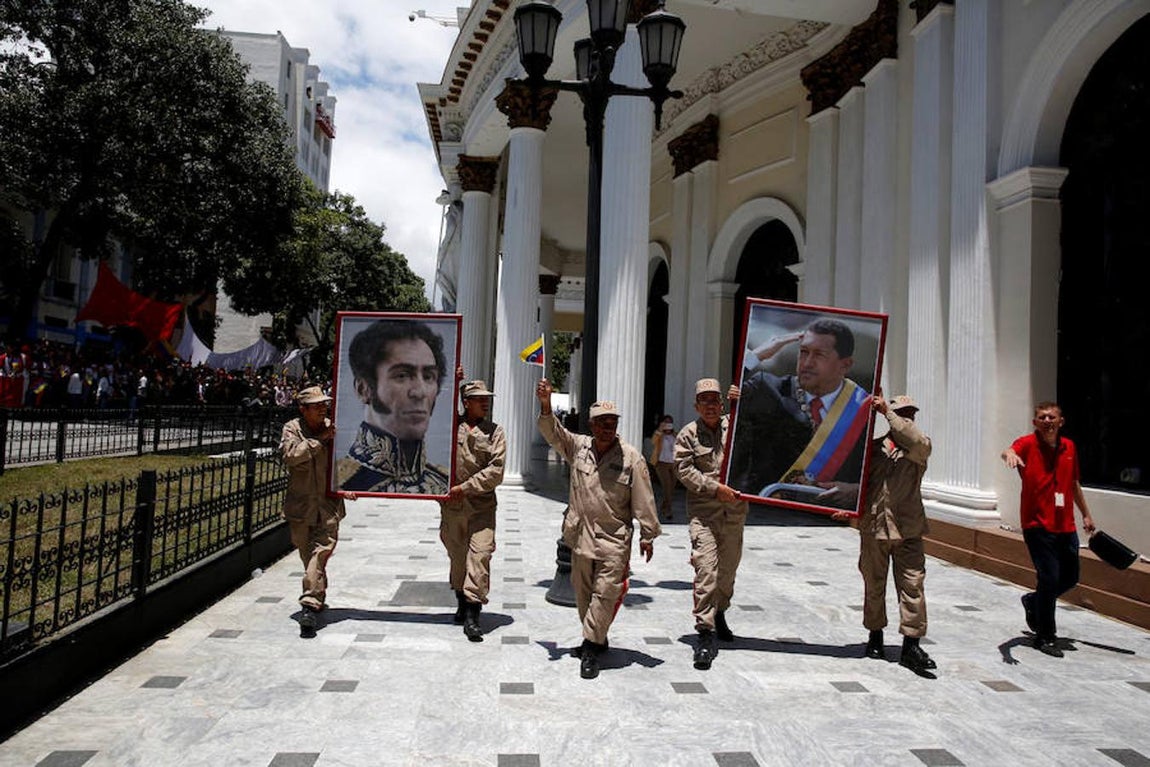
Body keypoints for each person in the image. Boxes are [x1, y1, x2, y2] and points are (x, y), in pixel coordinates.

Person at [535, 378, 661, 679]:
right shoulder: (578, 447)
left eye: (612, 422)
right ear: (591, 425)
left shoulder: (631, 458)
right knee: (583, 594)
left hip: (613, 540)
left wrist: (647, 534)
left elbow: (644, 499)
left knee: (605, 594)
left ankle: (590, 649)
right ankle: (597, 637)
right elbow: (553, 432)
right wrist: (545, 403)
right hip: (580, 537)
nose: (608, 427)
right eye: (602, 422)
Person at [835, 393, 936, 674]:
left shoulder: (920, 446)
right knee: (874, 584)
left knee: (912, 586)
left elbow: (914, 440)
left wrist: (887, 413)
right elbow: (861, 487)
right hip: (875, 527)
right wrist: (849, 510)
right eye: (901, 412)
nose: (907, 417)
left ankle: (911, 645)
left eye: (910, 414)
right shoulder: (874, 449)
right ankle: (875, 636)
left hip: (908, 529)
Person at [727, 319, 870, 506]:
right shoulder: (768, 389)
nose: (807, 363)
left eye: (819, 355)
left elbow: (878, 468)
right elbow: (727, 396)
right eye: (803, 352)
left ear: (845, 365)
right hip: (766, 513)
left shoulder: (862, 407)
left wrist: (857, 489)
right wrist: (756, 356)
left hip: (827, 520)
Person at [1001, 401, 1096, 657]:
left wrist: (1086, 514)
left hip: (1065, 524)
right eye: (1042, 417)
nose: (1047, 421)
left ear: (1060, 421)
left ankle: (1033, 601)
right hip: (1036, 524)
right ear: (1035, 423)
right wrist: (1009, 455)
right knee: (1049, 578)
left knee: (1071, 577)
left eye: (1051, 417)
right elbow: (1010, 450)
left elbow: (1073, 483)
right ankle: (1045, 636)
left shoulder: (1069, 447)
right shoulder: (1028, 444)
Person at [675, 378, 748, 670]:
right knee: (706, 570)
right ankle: (705, 633)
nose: (710, 405)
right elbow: (683, 470)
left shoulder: (736, 425)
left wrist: (743, 403)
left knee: (727, 573)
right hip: (704, 514)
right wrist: (714, 488)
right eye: (704, 401)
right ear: (696, 405)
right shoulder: (687, 435)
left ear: (721, 402)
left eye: (715, 400)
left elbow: (757, 430)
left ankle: (720, 613)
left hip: (734, 513)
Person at [336, 319, 450, 494]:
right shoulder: (341, 482)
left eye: (428, 376)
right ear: (363, 389)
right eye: (402, 375)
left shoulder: (443, 482)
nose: (420, 392)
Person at [439, 379, 506, 642]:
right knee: (458, 558)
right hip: (453, 508)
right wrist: (454, 381)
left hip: (482, 508)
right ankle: (461, 599)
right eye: (479, 398)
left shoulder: (495, 432)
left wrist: (465, 487)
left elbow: (496, 471)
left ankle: (472, 614)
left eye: (486, 398)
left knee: (480, 557)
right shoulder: (450, 427)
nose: (485, 402)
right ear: (466, 403)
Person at [280, 386, 349, 636]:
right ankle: (317, 591)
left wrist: (350, 485)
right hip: (301, 506)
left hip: (328, 506)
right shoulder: (292, 429)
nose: (323, 408)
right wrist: (320, 441)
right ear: (303, 409)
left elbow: (346, 460)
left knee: (321, 552)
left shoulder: (333, 427)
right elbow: (290, 455)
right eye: (317, 405)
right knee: (307, 554)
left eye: (324, 404)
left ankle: (308, 605)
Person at [649, 414, 677, 520]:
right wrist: (660, 430)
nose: (668, 425)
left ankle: (663, 507)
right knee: (667, 487)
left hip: (673, 464)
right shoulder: (659, 435)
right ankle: (667, 510)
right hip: (661, 463)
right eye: (666, 422)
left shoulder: (675, 435)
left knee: (671, 489)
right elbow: (653, 441)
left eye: (670, 423)